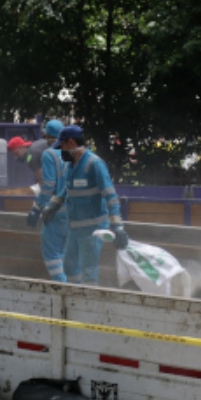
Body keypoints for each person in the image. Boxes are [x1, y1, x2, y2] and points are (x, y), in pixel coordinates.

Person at [40, 125, 128, 285]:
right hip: (75, 227)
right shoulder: (70, 166)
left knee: (89, 270)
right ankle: (74, 296)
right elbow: (67, 190)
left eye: (63, 147)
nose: (61, 151)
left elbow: (111, 197)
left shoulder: (94, 164)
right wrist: (52, 205)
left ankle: (87, 303)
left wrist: (118, 226)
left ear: (71, 143)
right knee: (69, 267)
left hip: (93, 229)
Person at [26, 119, 69, 281]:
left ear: (46, 136)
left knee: (52, 255)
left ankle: (63, 288)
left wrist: (36, 208)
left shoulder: (48, 154)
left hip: (55, 214)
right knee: (64, 253)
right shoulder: (74, 154)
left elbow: (47, 186)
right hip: (73, 214)